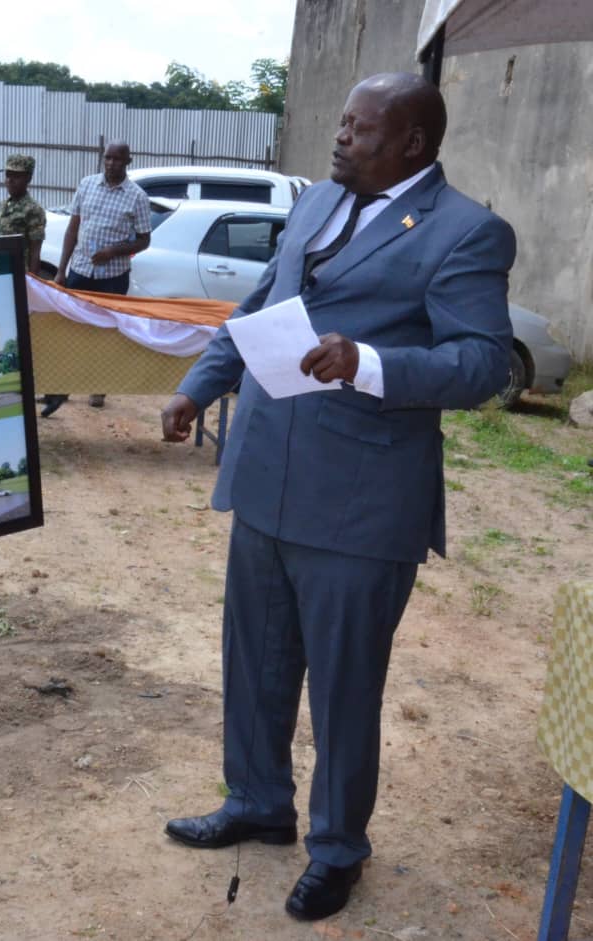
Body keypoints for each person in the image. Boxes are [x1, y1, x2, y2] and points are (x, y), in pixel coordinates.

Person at [160, 72, 515, 921]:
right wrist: (198, 386)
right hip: (266, 476)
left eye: (359, 128)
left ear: (412, 146)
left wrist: (370, 361)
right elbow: (260, 303)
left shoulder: (466, 232)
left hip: (360, 502)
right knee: (254, 662)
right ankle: (256, 802)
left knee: (344, 687)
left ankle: (338, 848)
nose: (340, 137)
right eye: (343, 122)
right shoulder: (318, 200)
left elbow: (484, 363)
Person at [45, 141, 151, 416]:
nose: (112, 163)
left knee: (106, 333)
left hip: (112, 277)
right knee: (73, 329)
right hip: (80, 271)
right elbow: (72, 229)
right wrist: (61, 270)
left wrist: (114, 251)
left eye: (118, 159)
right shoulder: (87, 184)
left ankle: (98, 387)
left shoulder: (137, 197)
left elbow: (144, 240)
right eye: (108, 158)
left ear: (129, 160)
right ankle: (62, 387)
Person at [0, 154, 46, 275]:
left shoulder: (33, 210)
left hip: (19, 274)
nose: (10, 180)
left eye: (16, 176)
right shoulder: (4, 205)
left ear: (28, 179)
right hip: (0, 270)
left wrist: (32, 282)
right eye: (8, 175)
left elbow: (35, 252)